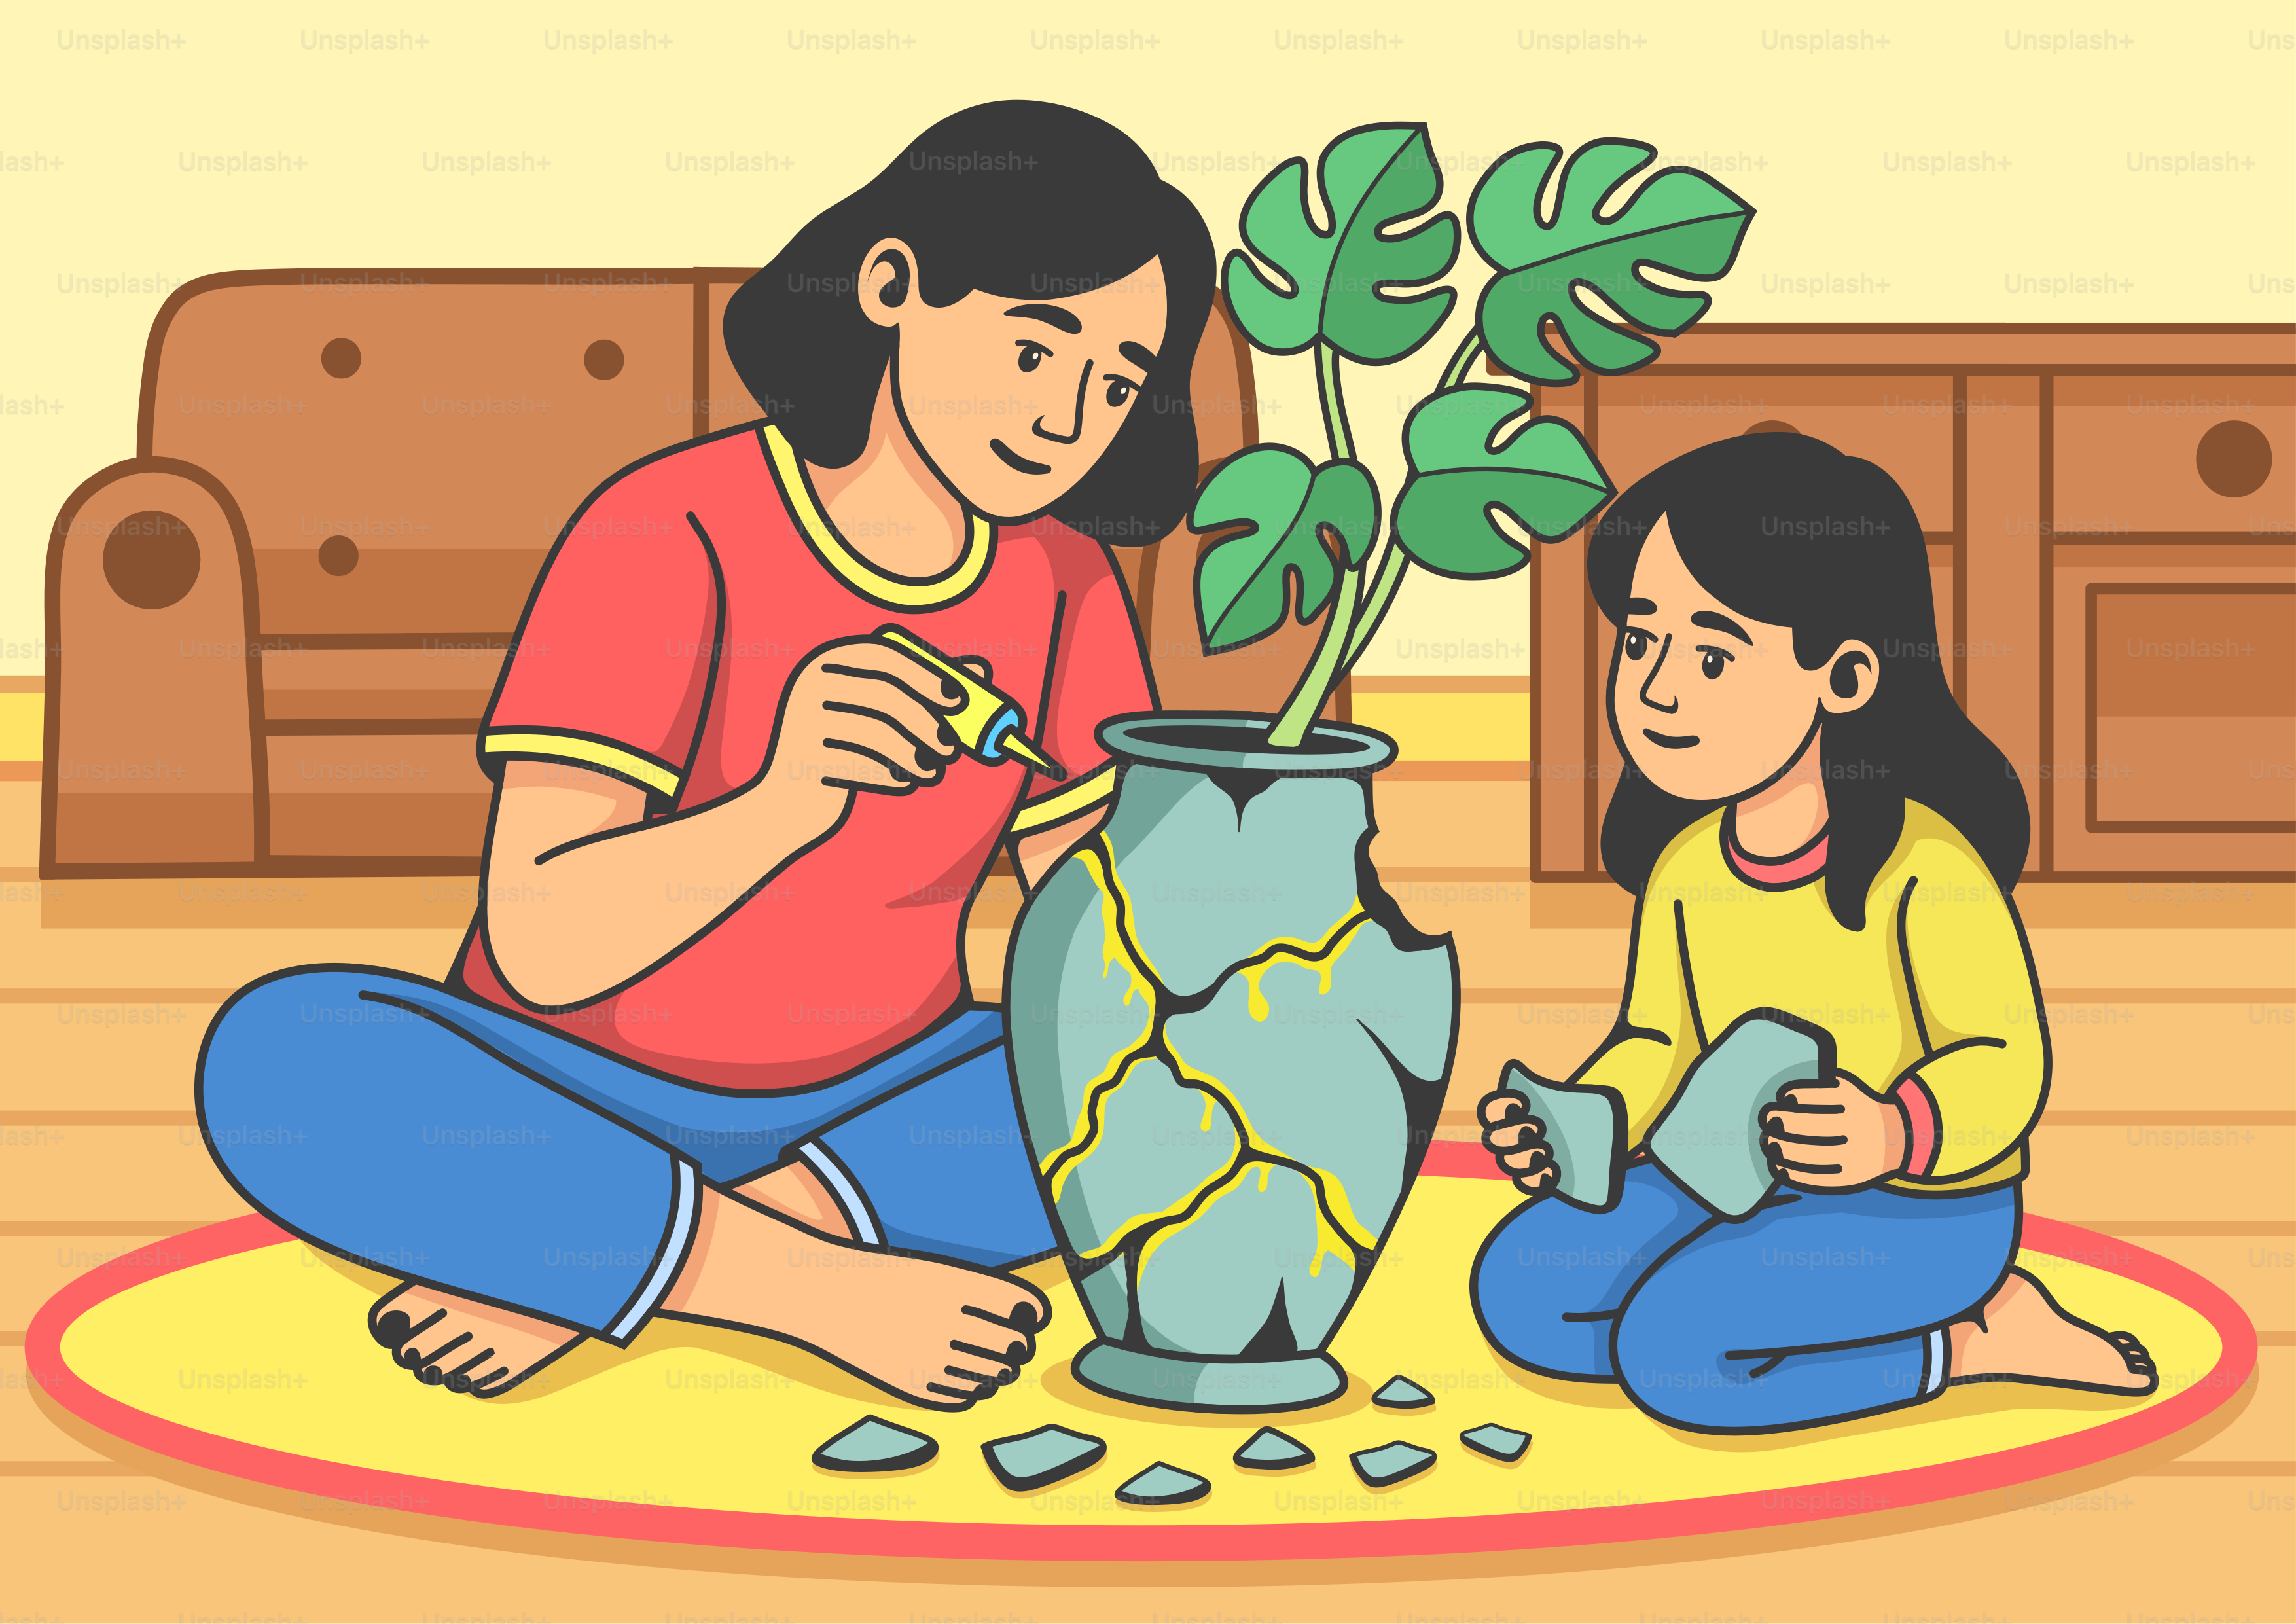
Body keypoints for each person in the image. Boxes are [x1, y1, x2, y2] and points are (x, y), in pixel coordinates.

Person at [194, 101, 1213, 1407]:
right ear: (891, 286)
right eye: (1034, 345)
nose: (1070, 414)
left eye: (1117, 382)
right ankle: (806, 1285)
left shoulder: (1063, 583)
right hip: (560, 1080)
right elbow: (547, 941)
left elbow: (1098, 956)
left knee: (1131, 1081)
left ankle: (611, 1250)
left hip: (871, 1097)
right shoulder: (666, 528)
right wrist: (786, 798)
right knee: (286, 1059)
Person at [1469, 432, 2157, 1434]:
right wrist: (1585, 1124)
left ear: (1844, 677)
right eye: (1639, 640)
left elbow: (2008, 1061)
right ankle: (1761, 1306)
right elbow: (1658, 1041)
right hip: (1715, 1176)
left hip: (1922, 1210)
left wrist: (1894, 1131)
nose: (1657, 688)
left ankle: (1973, 1341)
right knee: (1524, 1293)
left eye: (1711, 653)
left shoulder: (1929, 873)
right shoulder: (1686, 869)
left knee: (1673, 1354)